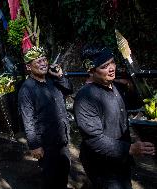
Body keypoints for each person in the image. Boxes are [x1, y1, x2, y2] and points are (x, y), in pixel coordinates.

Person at [74, 45, 156, 189]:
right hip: (101, 165)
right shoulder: (85, 98)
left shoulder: (115, 86)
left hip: (120, 159)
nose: (112, 68)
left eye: (112, 62)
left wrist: (131, 87)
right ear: (91, 71)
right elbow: (94, 139)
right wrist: (129, 149)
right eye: (104, 66)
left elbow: (132, 106)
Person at [18, 46, 73, 189]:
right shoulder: (26, 89)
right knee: (51, 178)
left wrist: (60, 76)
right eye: (38, 61)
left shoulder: (52, 79)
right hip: (47, 143)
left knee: (65, 172)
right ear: (29, 67)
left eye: (44, 60)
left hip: (63, 137)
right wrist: (34, 146)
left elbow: (69, 89)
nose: (43, 64)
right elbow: (28, 119)